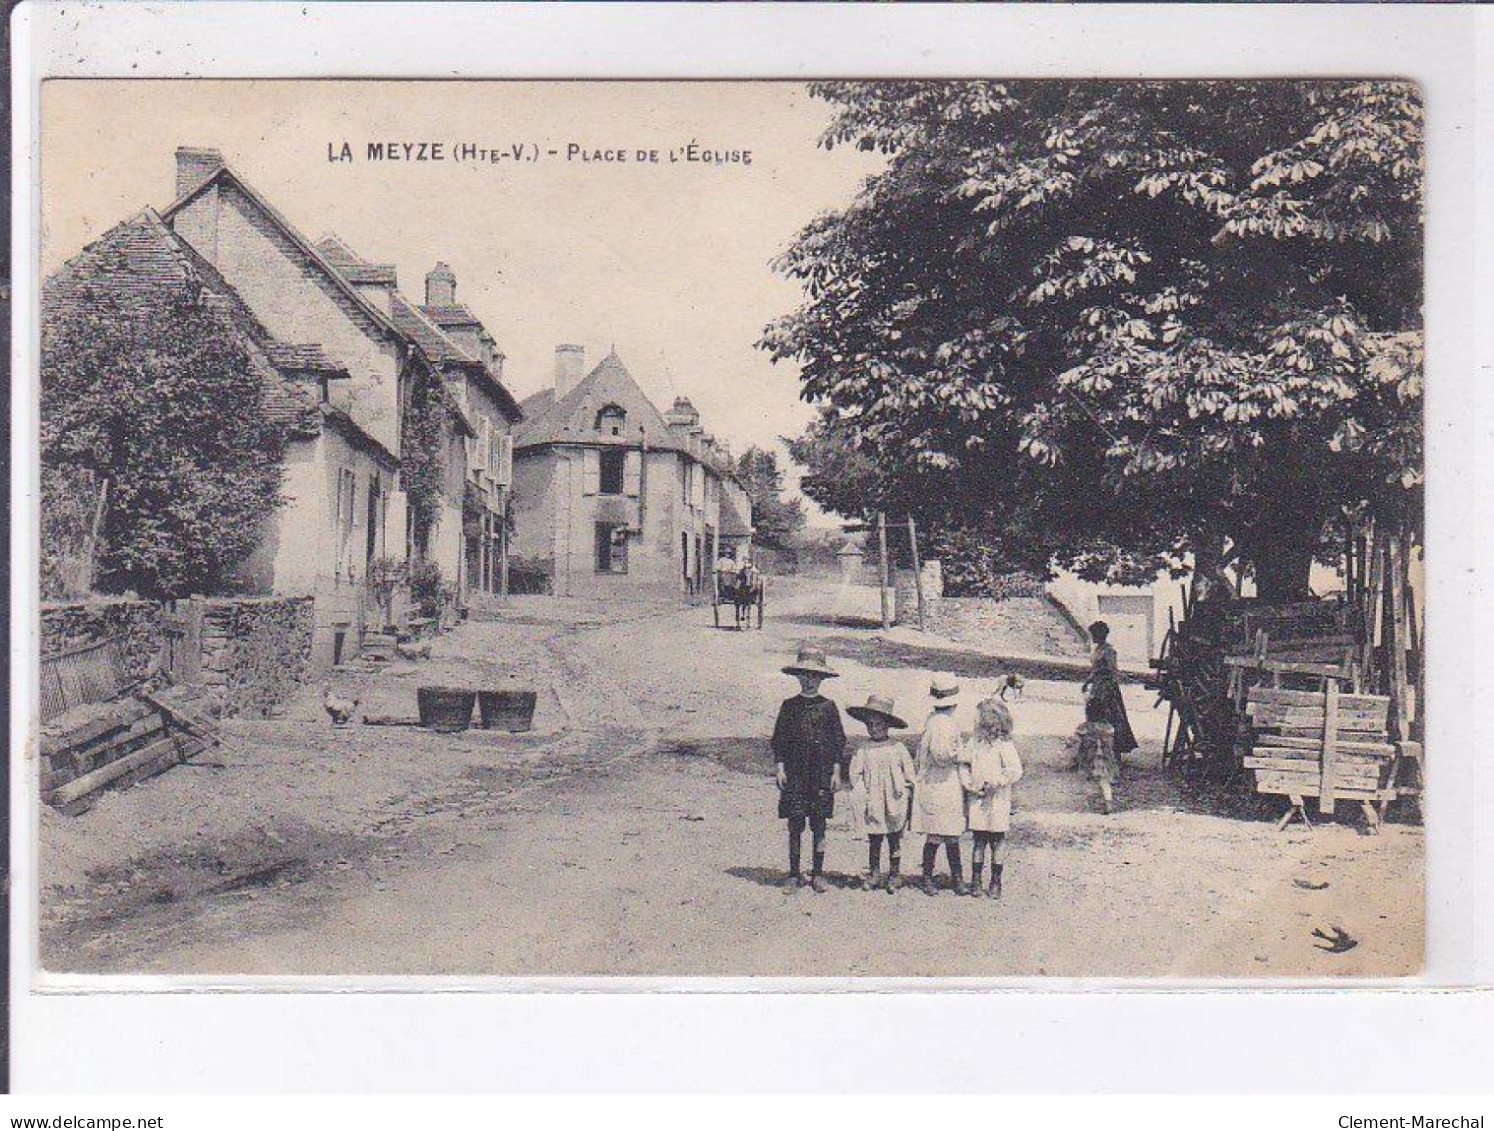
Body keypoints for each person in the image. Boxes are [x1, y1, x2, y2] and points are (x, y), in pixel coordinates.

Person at [770, 645, 848, 893]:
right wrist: (780, 767)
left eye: (815, 676)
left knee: (819, 823)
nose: (809, 681)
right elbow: (779, 739)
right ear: (798, 677)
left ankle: (818, 873)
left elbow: (838, 742)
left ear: (822, 679)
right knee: (795, 823)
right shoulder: (789, 706)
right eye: (805, 675)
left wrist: (836, 772)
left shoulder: (829, 707)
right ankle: (793, 874)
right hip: (795, 773)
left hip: (821, 774)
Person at [845, 694, 916, 893]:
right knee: (875, 838)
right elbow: (855, 774)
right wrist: (861, 791)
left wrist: (906, 788)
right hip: (873, 800)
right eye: (870, 724)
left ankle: (894, 874)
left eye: (878, 724)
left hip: (894, 799)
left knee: (894, 837)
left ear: (887, 725)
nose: (873, 728)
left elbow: (909, 774)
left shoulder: (897, 748)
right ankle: (874, 872)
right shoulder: (863, 749)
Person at [959, 696, 1023, 899]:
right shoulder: (974, 743)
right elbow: (963, 763)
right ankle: (976, 880)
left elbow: (1015, 771)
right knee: (978, 840)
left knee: (997, 840)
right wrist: (968, 784)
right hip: (978, 798)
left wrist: (998, 781)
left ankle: (996, 881)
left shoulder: (1004, 746)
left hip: (997, 801)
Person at [912, 673, 969, 896]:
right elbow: (942, 755)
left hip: (940, 783)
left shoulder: (933, 721)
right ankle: (935, 877)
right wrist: (962, 754)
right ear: (953, 702)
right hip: (941, 783)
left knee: (945, 831)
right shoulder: (942, 724)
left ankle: (949, 877)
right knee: (941, 832)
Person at [1082, 620, 1138, 760]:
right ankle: (1098, 752)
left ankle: (1115, 754)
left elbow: (1113, 672)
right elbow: (1095, 670)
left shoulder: (1109, 651)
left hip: (1107, 689)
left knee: (1111, 720)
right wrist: (1088, 682)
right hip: (1096, 687)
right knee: (1094, 718)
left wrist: (1108, 691)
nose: (1093, 637)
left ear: (1101, 635)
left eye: (1094, 634)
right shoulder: (1097, 650)